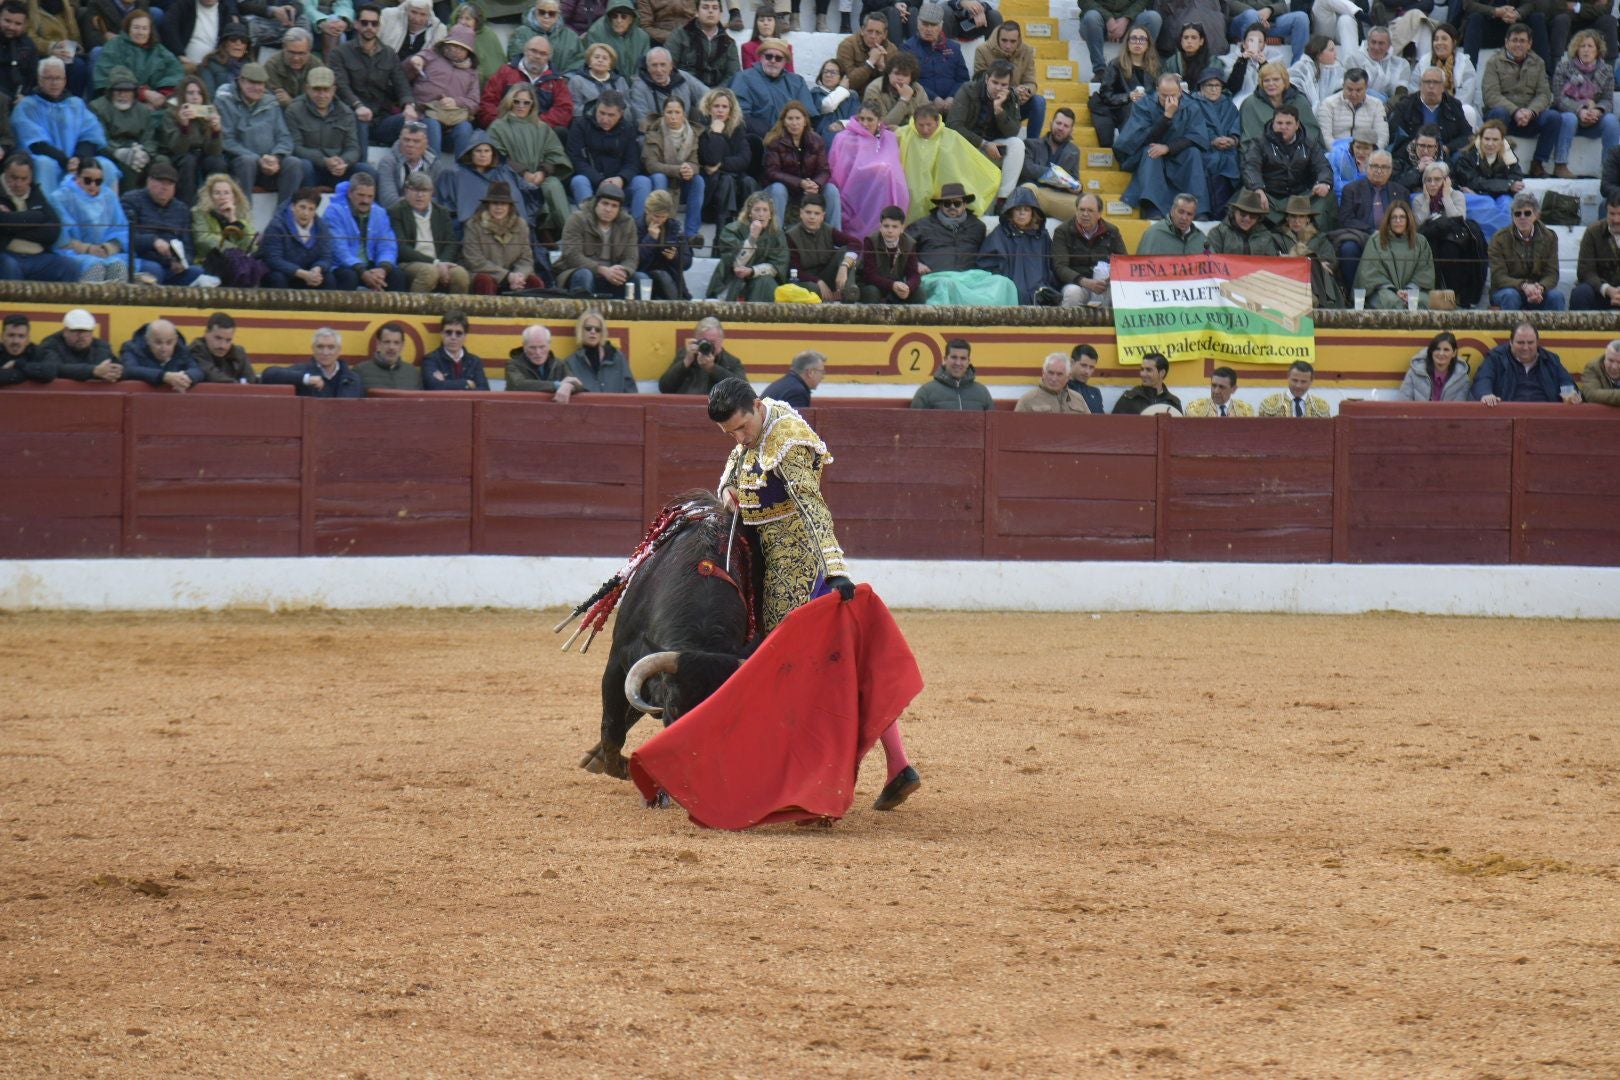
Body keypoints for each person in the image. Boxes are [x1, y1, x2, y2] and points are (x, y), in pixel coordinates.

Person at [707, 376, 923, 813]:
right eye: (729, 432)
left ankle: (799, 778)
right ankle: (898, 765)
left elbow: (812, 505)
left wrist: (837, 568)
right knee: (846, 662)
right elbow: (730, 474)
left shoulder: (787, 439)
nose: (737, 438)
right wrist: (726, 492)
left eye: (741, 429)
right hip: (769, 559)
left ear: (755, 407)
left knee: (793, 666)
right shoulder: (751, 429)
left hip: (799, 565)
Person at [12, 57, 120, 193]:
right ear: (39, 80)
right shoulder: (27, 106)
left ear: (65, 80)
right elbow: (34, 143)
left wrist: (79, 159)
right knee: (44, 164)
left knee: (106, 166)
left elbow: (91, 135)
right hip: (49, 160)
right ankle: (48, 211)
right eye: (49, 78)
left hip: (77, 160)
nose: (54, 83)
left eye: (58, 78)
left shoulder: (76, 104)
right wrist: (64, 160)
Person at [1116, 72, 1210, 220]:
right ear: (1157, 90)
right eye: (1164, 95)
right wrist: (1167, 117)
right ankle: (1153, 208)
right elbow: (1141, 138)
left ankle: (1198, 209)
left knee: (1193, 153)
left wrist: (1168, 148)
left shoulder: (1191, 105)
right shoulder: (1144, 104)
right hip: (1150, 153)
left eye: (1173, 95)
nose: (1169, 99)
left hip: (1177, 152)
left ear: (1180, 91)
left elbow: (1196, 136)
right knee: (1151, 151)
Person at [487, 82, 572, 237]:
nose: (521, 106)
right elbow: (496, 156)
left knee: (553, 185)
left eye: (526, 102)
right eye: (516, 101)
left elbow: (555, 154)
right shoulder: (498, 127)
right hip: (511, 178)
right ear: (509, 101)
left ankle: (570, 236)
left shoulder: (542, 127)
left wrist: (542, 172)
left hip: (539, 177)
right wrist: (523, 172)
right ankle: (536, 234)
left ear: (532, 104)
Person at [217, 61, 308, 202]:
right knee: (248, 161)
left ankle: (284, 215)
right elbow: (227, 140)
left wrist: (276, 157)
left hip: (270, 164)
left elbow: (284, 136)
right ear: (241, 81)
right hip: (241, 163)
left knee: (294, 163)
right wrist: (258, 159)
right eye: (252, 83)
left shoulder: (271, 103)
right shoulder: (225, 101)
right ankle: (244, 216)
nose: (257, 87)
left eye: (260, 84)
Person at [330, 4, 419, 149]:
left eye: (374, 23)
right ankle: (363, 168)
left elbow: (401, 83)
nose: (369, 27)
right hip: (352, 117)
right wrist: (357, 106)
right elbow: (341, 86)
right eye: (365, 23)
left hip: (381, 119)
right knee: (359, 120)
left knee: (412, 122)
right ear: (356, 24)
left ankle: (413, 170)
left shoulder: (389, 54)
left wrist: (409, 105)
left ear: (379, 26)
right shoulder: (340, 53)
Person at [897, 103, 998, 226]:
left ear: (938, 121)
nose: (925, 130)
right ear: (914, 122)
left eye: (929, 125)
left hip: (943, 189)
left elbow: (967, 161)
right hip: (911, 189)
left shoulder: (951, 136)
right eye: (921, 125)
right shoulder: (903, 134)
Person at [1481, 23, 1558, 177]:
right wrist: (1515, 111)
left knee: (1553, 118)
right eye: (1514, 40)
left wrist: (1530, 111)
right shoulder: (1494, 62)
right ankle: (1500, 161)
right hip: (1504, 117)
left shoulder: (1538, 63)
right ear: (1506, 42)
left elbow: (1544, 94)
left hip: (1528, 118)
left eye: (1522, 41)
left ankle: (1538, 163)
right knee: (1499, 112)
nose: (1518, 44)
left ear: (1530, 44)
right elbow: (1491, 95)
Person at [946, 59, 1025, 203]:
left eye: (1003, 85)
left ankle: (1004, 199)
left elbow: (1013, 132)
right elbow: (953, 125)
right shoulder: (968, 90)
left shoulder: (1011, 96)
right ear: (987, 79)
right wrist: (983, 143)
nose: (998, 88)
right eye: (995, 82)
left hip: (994, 149)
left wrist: (999, 110)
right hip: (967, 147)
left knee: (1017, 145)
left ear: (1009, 85)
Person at [122, 161, 213, 286]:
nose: (164, 187)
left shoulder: (181, 209)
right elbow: (124, 236)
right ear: (149, 181)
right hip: (140, 259)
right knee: (154, 270)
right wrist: (153, 241)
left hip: (171, 265)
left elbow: (189, 246)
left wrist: (182, 261)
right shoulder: (131, 200)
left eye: (169, 183)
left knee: (197, 272)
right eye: (160, 182)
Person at [1241, 102, 1333, 224]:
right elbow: (1251, 166)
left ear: (1297, 125)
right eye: (1279, 123)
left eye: (1288, 123)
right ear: (1273, 124)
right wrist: (1257, 188)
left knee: (1327, 194)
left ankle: (1319, 235)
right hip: (1270, 196)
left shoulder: (1309, 143)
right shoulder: (1259, 143)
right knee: (1248, 194)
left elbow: (1322, 166)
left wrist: (1323, 182)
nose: (1283, 127)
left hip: (1301, 196)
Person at [1412, 159, 1488, 307]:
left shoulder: (1456, 195)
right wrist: (1427, 202)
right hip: (1430, 241)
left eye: (1437, 179)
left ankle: (1456, 294)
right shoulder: (1419, 199)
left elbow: (1459, 220)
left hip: (1454, 242)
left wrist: (1446, 196)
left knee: (1449, 249)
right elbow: (1419, 225)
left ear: (1446, 181)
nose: (1433, 184)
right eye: (1428, 180)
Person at [567, 89, 650, 219]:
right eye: (602, 113)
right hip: (592, 181)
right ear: (596, 108)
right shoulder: (580, 124)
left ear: (621, 114)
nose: (605, 119)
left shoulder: (627, 129)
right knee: (579, 180)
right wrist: (599, 180)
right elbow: (576, 159)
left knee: (643, 182)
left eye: (611, 115)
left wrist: (621, 178)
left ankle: (637, 231)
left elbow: (633, 162)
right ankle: (589, 226)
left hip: (619, 185)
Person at [1336, 150, 1410, 294]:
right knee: (1348, 249)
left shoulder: (1401, 192)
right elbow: (1345, 219)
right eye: (1374, 166)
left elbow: (1407, 220)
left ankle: (1397, 293)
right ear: (1366, 167)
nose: (1379, 171)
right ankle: (1354, 295)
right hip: (1362, 237)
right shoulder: (1351, 189)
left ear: (1390, 170)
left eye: (1384, 167)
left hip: (1393, 237)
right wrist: (1371, 231)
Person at [1549, 31, 1620, 176]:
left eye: (1590, 46)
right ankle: (1560, 165)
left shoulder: (1606, 70)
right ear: (1576, 49)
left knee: (1611, 121)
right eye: (1582, 46)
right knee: (1569, 118)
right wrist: (1580, 110)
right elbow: (1559, 98)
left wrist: (1598, 111)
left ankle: (1610, 170)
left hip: (1594, 119)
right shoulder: (1563, 68)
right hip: (1570, 120)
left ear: (1598, 50)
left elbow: (1607, 100)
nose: (1586, 50)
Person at [0, 152, 79, 282]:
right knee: (9, 266)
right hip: (7, 256)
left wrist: (12, 225)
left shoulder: (36, 193)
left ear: (31, 178)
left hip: (38, 258)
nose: (18, 183)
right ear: (5, 173)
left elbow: (53, 231)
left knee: (70, 267)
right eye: (13, 178)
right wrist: (36, 217)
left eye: (23, 179)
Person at [322, 173, 407, 293]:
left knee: (397, 275)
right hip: (345, 266)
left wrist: (383, 268)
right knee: (349, 277)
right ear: (350, 193)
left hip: (372, 266)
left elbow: (387, 245)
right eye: (361, 195)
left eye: (370, 196)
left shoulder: (380, 213)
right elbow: (338, 249)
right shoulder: (334, 211)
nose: (365, 200)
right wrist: (361, 271)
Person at [555, 178, 641, 296]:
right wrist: (603, 270)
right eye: (605, 203)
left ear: (619, 209)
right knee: (584, 274)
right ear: (596, 203)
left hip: (613, 276)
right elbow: (572, 256)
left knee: (639, 278)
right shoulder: (577, 219)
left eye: (614, 206)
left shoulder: (628, 223)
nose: (608, 209)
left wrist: (622, 271)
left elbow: (631, 258)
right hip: (578, 271)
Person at [762, 100, 839, 230]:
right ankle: (776, 238)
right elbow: (771, 172)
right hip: (782, 189)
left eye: (798, 118)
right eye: (790, 119)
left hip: (808, 188)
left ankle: (835, 239)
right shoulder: (774, 141)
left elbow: (824, 170)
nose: (794, 122)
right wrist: (800, 183)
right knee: (778, 189)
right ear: (784, 121)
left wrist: (816, 184)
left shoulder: (816, 140)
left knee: (831, 190)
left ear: (805, 121)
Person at [49, 160, 129, 283]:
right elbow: (60, 238)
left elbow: (121, 230)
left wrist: (108, 248)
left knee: (119, 266)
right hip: (72, 253)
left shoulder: (109, 196)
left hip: (104, 253)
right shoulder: (60, 198)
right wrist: (87, 248)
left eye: (98, 182)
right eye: (88, 180)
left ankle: (115, 302)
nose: (93, 185)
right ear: (77, 177)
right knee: (95, 267)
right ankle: (86, 301)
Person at [388, 171, 469, 293]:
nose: (420, 195)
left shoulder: (442, 212)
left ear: (431, 193)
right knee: (430, 272)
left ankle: (455, 312)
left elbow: (450, 243)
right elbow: (402, 248)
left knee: (460, 275)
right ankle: (414, 310)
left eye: (425, 191)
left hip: (440, 261)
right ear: (406, 191)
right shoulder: (396, 212)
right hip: (409, 262)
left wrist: (442, 263)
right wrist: (435, 263)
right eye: (415, 190)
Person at [406, 24, 479, 157]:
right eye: (454, 45)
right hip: (423, 116)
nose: (457, 50)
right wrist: (413, 62)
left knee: (465, 128)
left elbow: (474, 102)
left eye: (462, 48)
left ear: (469, 52)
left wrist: (456, 102)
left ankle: (463, 171)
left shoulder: (472, 73)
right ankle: (433, 169)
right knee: (432, 125)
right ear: (447, 43)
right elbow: (404, 75)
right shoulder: (431, 55)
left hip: (452, 123)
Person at [285, 65, 360, 188]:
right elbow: (295, 147)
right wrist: (323, 161)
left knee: (366, 170)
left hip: (339, 169)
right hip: (312, 167)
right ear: (307, 89)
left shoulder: (346, 112)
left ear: (334, 90)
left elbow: (353, 148)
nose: (321, 95)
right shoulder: (294, 110)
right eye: (316, 89)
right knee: (303, 165)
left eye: (326, 90)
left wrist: (344, 161)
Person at [978, 184, 1055, 304]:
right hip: (1006, 297)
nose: (1022, 213)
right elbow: (986, 266)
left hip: (1038, 296)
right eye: (1018, 209)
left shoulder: (1042, 237)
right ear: (1010, 212)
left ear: (1033, 213)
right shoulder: (999, 234)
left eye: (1026, 209)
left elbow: (1052, 267)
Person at [1488, 191, 1565, 310]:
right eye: (1517, 214)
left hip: (1538, 290)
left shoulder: (1549, 237)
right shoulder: (1499, 238)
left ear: (1536, 215)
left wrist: (1540, 288)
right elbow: (1498, 276)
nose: (1522, 217)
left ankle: (1555, 329)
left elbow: (1552, 273)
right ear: (1512, 217)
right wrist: (1523, 286)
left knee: (1556, 296)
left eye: (1527, 213)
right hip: (1508, 290)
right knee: (1510, 295)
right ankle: (1511, 329)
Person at [707, 189, 788, 302]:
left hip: (761, 280)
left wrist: (753, 271)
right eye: (757, 210)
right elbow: (736, 264)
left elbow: (778, 265)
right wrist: (752, 238)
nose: (761, 214)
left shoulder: (777, 234)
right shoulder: (732, 230)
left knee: (765, 281)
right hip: (732, 279)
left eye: (765, 210)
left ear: (771, 214)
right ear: (749, 213)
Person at [1471, 321, 1580, 404]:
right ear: (1510, 342)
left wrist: (1570, 394)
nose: (1526, 347)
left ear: (1537, 342)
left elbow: (1566, 382)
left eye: (1530, 343)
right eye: (1520, 343)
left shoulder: (1550, 359)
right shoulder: (1496, 357)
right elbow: (1483, 379)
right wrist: (1486, 394)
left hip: (1545, 416)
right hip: (1508, 414)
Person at [482, 32, 573, 131]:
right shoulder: (506, 72)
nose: (537, 56)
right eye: (533, 51)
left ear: (549, 58)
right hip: (506, 129)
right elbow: (488, 102)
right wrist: (502, 124)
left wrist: (537, 125)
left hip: (540, 130)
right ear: (525, 51)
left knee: (561, 131)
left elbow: (564, 110)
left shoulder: (556, 80)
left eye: (543, 53)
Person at [729, 34, 811, 143]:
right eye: (768, 56)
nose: (773, 61)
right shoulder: (743, 78)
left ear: (785, 62)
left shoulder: (797, 82)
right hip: (756, 139)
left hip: (791, 137)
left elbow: (807, 113)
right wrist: (772, 134)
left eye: (778, 58)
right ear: (761, 57)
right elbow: (740, 114)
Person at [436, 134, 532, 227]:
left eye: (487, 151)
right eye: (478, 151)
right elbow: (445, 204)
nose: (483, 155)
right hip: (468, 228)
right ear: (470, 153)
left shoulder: (505, 171)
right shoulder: (454, 173)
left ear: (492, 153)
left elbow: (524, 191)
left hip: (508, 226)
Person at [642, 96, 704, 239]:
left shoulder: (692, 134)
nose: (673, 117)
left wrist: (690, 169)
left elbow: (695, 163)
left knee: (698, 180)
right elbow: (651, 165)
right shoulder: (654, 132)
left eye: (677, 112)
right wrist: (678, 170)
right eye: (669, 112)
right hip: (660, 182)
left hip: (682, 183)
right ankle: (663, 227)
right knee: (659, 177)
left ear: (684, 114)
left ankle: (691, 233)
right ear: (664, 113)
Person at [1450, 118, 1523, 238]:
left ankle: (1502, 242)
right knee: (1487, 203)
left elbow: (1516, 180)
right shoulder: (1466, 156)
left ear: (1502, 141)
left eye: (1495, 140)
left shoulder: (1508, 156)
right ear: (1480, 138)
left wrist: (1506, 185)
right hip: (1473, 197)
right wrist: (1506, 185)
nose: (1490, 143)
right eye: (1487, 139)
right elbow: (1473, 182)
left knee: (1506, 205)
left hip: (1496, 195)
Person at [89, 66, 160, 188]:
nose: (122, 95)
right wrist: (119, 152)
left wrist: (145, 153)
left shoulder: (143, 110)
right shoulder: (97, 107)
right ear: (110, 92)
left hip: (138, 150)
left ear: (134, 92)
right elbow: (100, 138)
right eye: (118, 90)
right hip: (112, 153)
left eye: (127, 90)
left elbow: (150, 137)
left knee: (162, 163)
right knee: (129, 164)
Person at [160, 75, 227, 203]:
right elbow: (177, 149)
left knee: (218, 162)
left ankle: (215, 204)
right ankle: (187, 206)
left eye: (199, 93)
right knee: (188, 161)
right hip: (180, 155)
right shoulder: (171, 113)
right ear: (182, 95)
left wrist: (215, 132)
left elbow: (214, 151)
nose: (195, 97)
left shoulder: (208, 112)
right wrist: (184, 127)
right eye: (190, 93)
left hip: (203, 154)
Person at [1357, 200, 1435, 308]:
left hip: (1413, 290)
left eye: (1402, 217)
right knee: (1392, 302)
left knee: (1417, 302)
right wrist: (1393, 290)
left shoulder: (1420, 241)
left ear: (1408, 219)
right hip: (1383, 290)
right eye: (1394, 217)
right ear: (1388, 220)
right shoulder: (1376, 240)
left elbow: (1425, 271)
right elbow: (1370, 272)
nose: (1398, 220)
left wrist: (1408, 290)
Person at [94, 10, 181, 104]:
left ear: (150, 31)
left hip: (154, 104)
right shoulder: (114, 46)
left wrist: (162, 96)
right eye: (136, 28)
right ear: (128, 28)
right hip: (121, 101)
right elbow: (108, 78)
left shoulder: (159, 50)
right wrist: (143, 93)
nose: (140, 32)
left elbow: (173, 72)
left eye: (144, 28)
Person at [1052, 193, 1124, 308]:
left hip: (1104, 285)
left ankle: (1104, 324)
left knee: (1118, 289)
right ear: (1076, 211)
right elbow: (1060, 267)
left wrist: (1110, 279)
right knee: (1072, 293)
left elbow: (1123, 262)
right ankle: (1069, 325)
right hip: (1077, 284)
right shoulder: (1062, 231)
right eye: (1082, 210)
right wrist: (1084, 281)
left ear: (1099, 214)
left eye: (1090, 210)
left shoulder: (1112, 231)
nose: (1085, 214)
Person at [259, 186, 337, 289]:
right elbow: (273, 259)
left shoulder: (321, 227)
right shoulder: (277, 225)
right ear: (292, 206)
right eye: (302, 207)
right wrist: (303, 274)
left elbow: (326, 257)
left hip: (309, 274)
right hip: (284, 274)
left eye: (311, 209)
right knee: (277, 278)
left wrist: (317, 269)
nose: (306, 213)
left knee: (329, 278)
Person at [1092, 23, 1156, 148]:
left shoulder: (1154, 68)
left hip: (1147, 111)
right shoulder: (1115, 65)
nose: (1138, 42)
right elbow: (1105, 95)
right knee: (1133, 108)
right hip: (1122, 110)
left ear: (1148, 44)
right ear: (1127, 43)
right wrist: (1128, 96)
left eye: (1142, 39)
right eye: (1133, 38)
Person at [973, 21, 1041, 137]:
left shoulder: (1027, 51)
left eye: (1013, 41)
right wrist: (1012, 92)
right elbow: (979, 82)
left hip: (1016, 103)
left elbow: (1031, 81)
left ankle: (1032, 145)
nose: (1008, 45)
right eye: (1004, 40)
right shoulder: (982, 50)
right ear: (997, 38)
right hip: (990, 103)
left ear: (1019, 40)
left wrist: (1026, 90)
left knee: (1039, 102)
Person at [1281, 193, 1346, 308]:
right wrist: (1314, 263)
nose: (1297, 221)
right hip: (1286, 285)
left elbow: (1331, 262)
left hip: (1316, 287)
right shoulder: (1276, 238)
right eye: (1293, 216)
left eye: (1301, 217)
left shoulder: (1320, 239)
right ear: (1287, 218)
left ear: (1307, 219)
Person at [261, 327, 366, 397]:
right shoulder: (302, 372)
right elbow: (268, 375)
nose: (325, 352)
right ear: (313, 349)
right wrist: (306, 379)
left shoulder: (354, 379)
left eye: (331, 347)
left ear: (339, 350)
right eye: (320, 347)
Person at [902, 2, 967, 108]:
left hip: (953, 105)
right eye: (925, 24)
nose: (929, 29)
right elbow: (908, 81)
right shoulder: (908, 48)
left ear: (941, 25)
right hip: (921, 104)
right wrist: (933, 98)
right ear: (918, 23)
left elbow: (963, 79)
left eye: (933, 25)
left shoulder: (954, 48)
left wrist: (952, 97)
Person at [659, 315, 746, 394]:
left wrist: (713, 368)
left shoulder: (730, 362)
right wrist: (686, 362)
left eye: (712, 342)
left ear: (721, 340)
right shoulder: (685, 355)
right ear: (696, 340)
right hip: (687, 407)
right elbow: (664, 388)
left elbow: (742, 390)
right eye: (704, 341)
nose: (708, 345)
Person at [375, 120, 449, 208]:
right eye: (406, 140)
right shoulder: (387, 163)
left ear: (425, 144)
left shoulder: (434, 164)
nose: (410, 145)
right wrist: (421, 202)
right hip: (397, 216)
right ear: (400, 140)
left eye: (416, 141)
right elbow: (388, 201)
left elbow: (442, 200)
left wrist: (411, 201)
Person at [665, 0, 736, 91]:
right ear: (697, 13)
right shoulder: (680, 35)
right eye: (705, 7)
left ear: (720, 14)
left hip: (718, 97)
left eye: (715, 8)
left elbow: (733, 74)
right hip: (686, 92)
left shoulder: (729, 42)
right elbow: (669, 67)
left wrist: (716, 93)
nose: (710, 11)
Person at [857, 203, 921, 303]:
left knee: (919, 292)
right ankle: (872, 319)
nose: (890, 230)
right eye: (886, 226)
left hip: (896, 285)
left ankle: (912, 319)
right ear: (880, 227)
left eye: (895, 227)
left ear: (902, 229)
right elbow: (869, 275)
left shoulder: (909, 243)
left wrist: (908, 287)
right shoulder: (871, 241)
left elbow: (914, 275)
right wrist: (892, 285)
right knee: (872, 292)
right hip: (872, 285)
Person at [626, 45, 701, 131]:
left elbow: (708, 96)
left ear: (671, 66)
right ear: (648, 68)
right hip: (654, 136)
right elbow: (642, 123)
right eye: (654, 65)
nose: (659, 70)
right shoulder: (638, 88)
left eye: (663, 64)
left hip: (684, 133)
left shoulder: (683, 77)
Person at [119, 318, 204, 392]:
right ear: (147, 340)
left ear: (175, 340)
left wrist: (187, 378)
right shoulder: (132, 348)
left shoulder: (182, 350)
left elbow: (197, 370)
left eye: (169, 342)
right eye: (158, 342)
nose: (164, 348)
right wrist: (164, 376)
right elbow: (129, 370)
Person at [637, 186, 692, 299]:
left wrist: (675, 257)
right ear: (647, 210)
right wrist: (651, 239)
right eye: (656, 216)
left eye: (664, 217)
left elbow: (687, 262)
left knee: (665, 275)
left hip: (671, 277)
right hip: (645, 274)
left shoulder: (674, 227)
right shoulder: (635, 226)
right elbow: (635, 261)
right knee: (660, 275)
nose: (660, 220)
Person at [563, 309, 638, 392]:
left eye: (598, 329)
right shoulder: (571, 363)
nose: (593, 332)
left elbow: (631, 391)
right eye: (588, 328)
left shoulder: (617, 357)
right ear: (581, 330)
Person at [509, 0, 582, 82]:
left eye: (551, 13)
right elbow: (515, 59)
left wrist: (566, 77)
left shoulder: (571, 36)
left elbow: (579, 61)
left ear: (558, 15)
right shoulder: (521, 33)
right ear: (535, 11)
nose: (546, 16)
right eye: (542, 12)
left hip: (561, 85)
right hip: (527, 82)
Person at [40, 308, 120, 382]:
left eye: (86, 331)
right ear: (65, 332)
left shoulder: (102, 347)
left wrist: (117, 372)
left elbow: (120, 369)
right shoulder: (50, 345)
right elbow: (54, 369)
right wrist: (93, 371)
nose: (81, 335)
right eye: (76, 331)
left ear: (92, 332)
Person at [910, 337, 992, 409]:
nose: (958, 363)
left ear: (968, 362)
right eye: (954, 357)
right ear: (945, 359)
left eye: (963, 358)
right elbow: (914, 425)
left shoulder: (982, 393)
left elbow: (992, 424)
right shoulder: (926, 392)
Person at [1318, 68, 1390, 149]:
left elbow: (1382, 136)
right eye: (1349, 89)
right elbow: (1325, 137)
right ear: (1343, 86)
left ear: (1366, 87)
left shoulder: (1377, 104)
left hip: (1367, 152)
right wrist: (1341, 153)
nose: (1353, 94)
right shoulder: (1328, 104)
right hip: (1337, 153)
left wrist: (1371, 152)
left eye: (1358, 90)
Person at [1572, 192, 1620, 310]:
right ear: (1606, 212)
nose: (1616, 219)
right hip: (1600, 291)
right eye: (1612, 214)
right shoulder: (1592, 232)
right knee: (1581, 293)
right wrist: (1607, 289)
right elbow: (1585, 271)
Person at [1344, 25, 1416, 101]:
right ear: (1368, 42)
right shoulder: (1353, 59)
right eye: (1373, 42)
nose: (1376, 47)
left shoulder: (1401, 64)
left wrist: (1388, 106)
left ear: (1389, 46)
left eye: (1381, 43)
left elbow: (1401, 93)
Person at [421, 311, 489, 391]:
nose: (453, 337)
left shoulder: (475, 361)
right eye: (448, 332)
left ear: (465, 336)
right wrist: (467, 384)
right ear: (442, 334)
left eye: (458, 333)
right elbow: (434, 386)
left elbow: (484, 390)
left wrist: (446, 383)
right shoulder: (430, 360)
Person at [505, 322, 579, 395]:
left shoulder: (559, 364)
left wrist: (569, 386)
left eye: (542, 347)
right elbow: (518, 385)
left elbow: (579, 385)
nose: (538, 352)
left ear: (549, 345)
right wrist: (557, 385)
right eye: (532, 347)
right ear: (524, 346)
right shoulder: (513, 365)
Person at [1206, 188, 1287, 255]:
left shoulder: (1265, 236)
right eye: (1243, 213)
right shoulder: (1218, 233)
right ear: (1234, 212)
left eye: (1253, 215)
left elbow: (1271, 264)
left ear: (1258, 218)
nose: (1247, 219)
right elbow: (1210, 261)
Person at [1396, 330, 1472, 400]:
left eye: (1446, 350)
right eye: (1437, 349)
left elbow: (1458, 411)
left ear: (1454, 353)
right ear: (1431, 351)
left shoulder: (1462, 379)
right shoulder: (1414, 373)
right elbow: (1403, 402)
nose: (1441, 353)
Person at [837, 11, 898, 98]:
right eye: (869, 31)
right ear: (862, 30)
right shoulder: (847, 46)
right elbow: (847, 82)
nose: (873, 36)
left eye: (878, 33)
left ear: (884, 35)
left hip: (880, 98)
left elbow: (894, 86)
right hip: (853, 97)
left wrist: (882, 67)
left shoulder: (891, 50)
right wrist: (870, 63)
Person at [566, 40, 632, 120]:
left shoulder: (620, 81)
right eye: (596, 57)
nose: (600, 60)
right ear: (589, 62)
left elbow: (627, 108)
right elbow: (574, 109)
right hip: (587, 123)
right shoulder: (577, 81)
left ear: (610, 65)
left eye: (605, 58)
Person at [586, 0, 649, 79]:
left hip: (636, 84)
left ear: (631, 19)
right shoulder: (596, 32)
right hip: (607, 82)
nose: (619, 20)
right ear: (609, 18)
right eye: (615, 16)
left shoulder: (642, 37)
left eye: (624, 17)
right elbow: (593, 64)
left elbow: (644, 66)